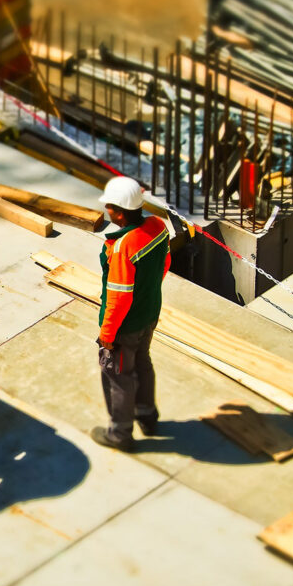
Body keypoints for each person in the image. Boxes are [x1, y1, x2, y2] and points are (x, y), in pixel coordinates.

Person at [92, 176, 171, 452]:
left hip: (126, 326)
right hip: (149, 314)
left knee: (118, 375)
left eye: (110, 207)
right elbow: (165, 263)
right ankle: (147, 417)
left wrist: (107, 334)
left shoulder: (124, 244)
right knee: (142, 363)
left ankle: (120, 434)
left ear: (120, 212)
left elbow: (118, 296)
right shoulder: (158, 227)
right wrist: (148, 297)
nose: (107, 211)